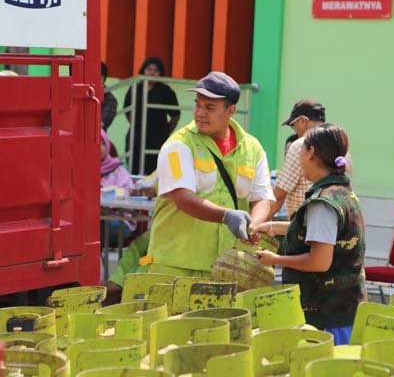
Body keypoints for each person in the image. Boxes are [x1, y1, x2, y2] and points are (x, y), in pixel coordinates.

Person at [146, 71, 274, 277]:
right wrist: (226, 216)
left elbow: (262, 197)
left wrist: (255, 225)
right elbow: (182, 198)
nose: (200, 113)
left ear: (231, 110)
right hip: (175, 265)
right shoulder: (178, 145)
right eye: (198, 105)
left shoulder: (253, 148)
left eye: (209, 107)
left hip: (227, 266)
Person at [254, 124, 366, 345]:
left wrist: (274, 259)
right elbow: (321, 234)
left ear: (311, 152)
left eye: (300, 152)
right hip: (346, 308)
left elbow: (319, 261)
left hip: (327, 313)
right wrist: (273, 227)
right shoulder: (342, 191)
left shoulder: (322, 203)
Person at [270, 99, 351, 219]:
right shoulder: (340, 145)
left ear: (302, 120)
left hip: (304, 222)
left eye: (293, 125)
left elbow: (279, 195)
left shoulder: (301, 145)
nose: (295, 130)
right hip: (335, 219)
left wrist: (255, 225)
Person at [125, 57, 180, 174]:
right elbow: (127, 109)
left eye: (156, 70)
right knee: (134, 171)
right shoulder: (135, 88)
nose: (152, 73)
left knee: (154, 172)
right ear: (143, 70)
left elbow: (175, 114)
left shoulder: (165, 91)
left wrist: (166, 131)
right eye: (149, 69)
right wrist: (136, 125)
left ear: (160, 73)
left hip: (157, 138)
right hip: (137, 137)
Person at [100, 129, 136, 243]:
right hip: (93, 219)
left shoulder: (118, 170)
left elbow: (126, 193)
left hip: (120, 219)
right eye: (95, 143)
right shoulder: (81, 169)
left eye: (102, 143)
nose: (99, 148)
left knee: (93, 227)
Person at [101, 61, 118, 131]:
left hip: (97, 137)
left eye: (99, 75)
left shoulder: (110, 99)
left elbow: (102, 123)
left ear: (103, 78)